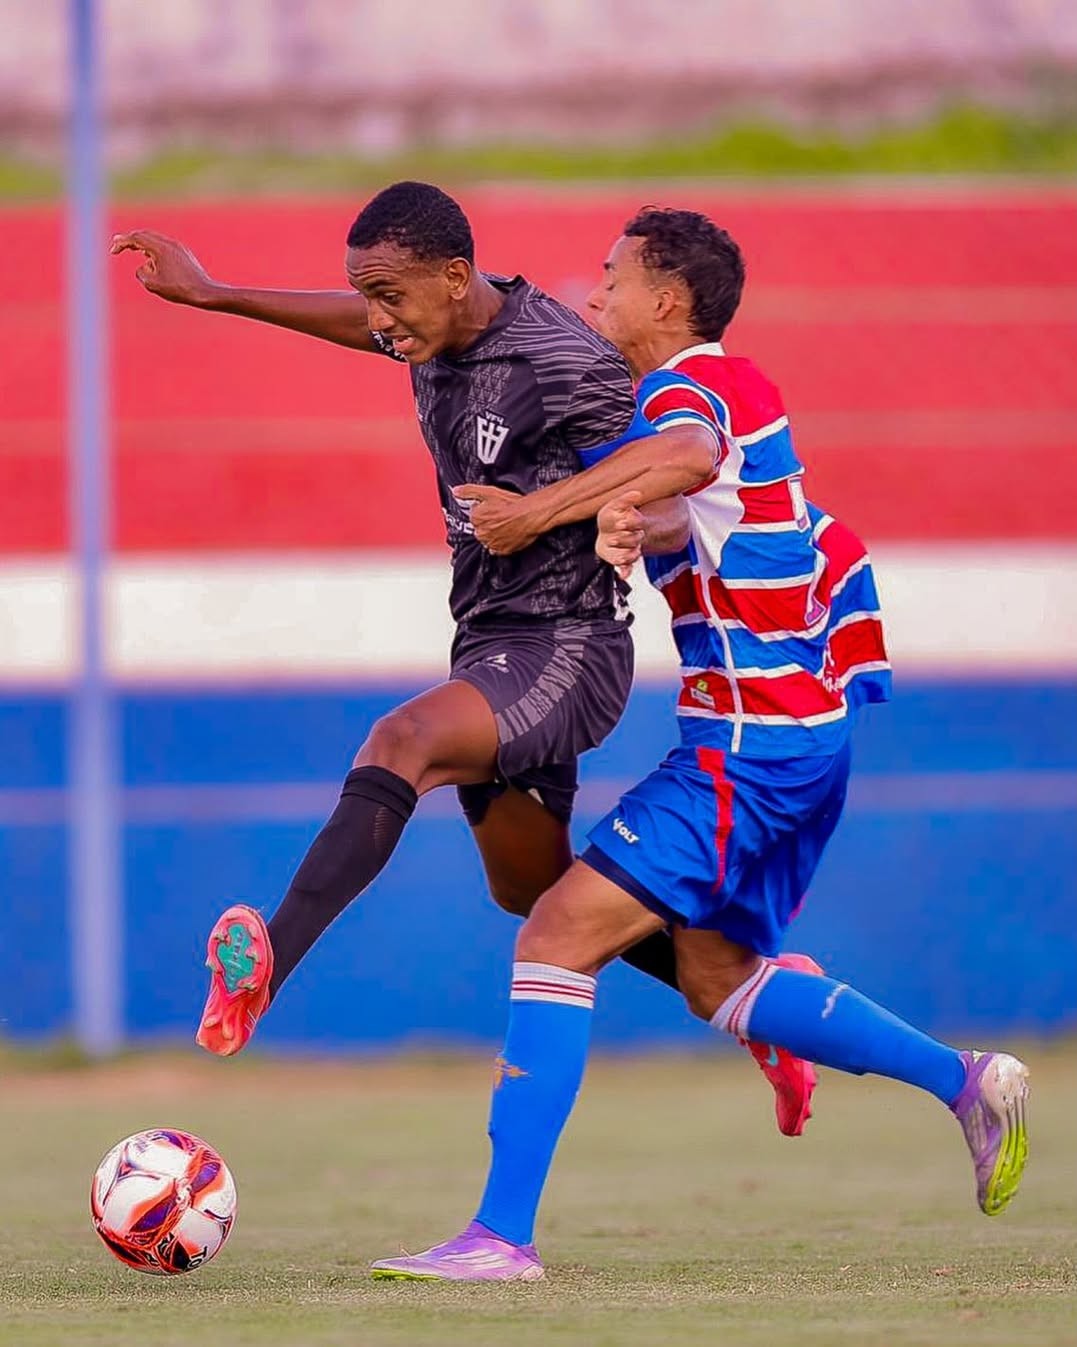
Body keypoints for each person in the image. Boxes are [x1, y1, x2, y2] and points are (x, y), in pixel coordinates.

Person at [369, 208, 1031, 1282]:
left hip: (748, 746)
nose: (592, 299)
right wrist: (634, 520)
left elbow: (685, 453)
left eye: (611, 280)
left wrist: (540, 514)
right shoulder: (738, 387)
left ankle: (500, 1239)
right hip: (803, 740)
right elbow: (695, 505)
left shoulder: (686, 393)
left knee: (552, 937)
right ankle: (968, 1082)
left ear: (668, 302)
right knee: (715, 971)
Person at [110, 182, 817, 1132]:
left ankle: (265, 967)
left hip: (570, 649)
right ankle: (757, 997)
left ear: (454, 277)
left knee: (402, 739)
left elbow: (676, 475)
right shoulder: (426, 327)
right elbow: (359, 322)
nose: (378, 320)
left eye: (391, 296)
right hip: (490, 641)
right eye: (369, 297)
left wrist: (582, 517)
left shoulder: (561, 359)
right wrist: (217, 293)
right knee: (531, 891)